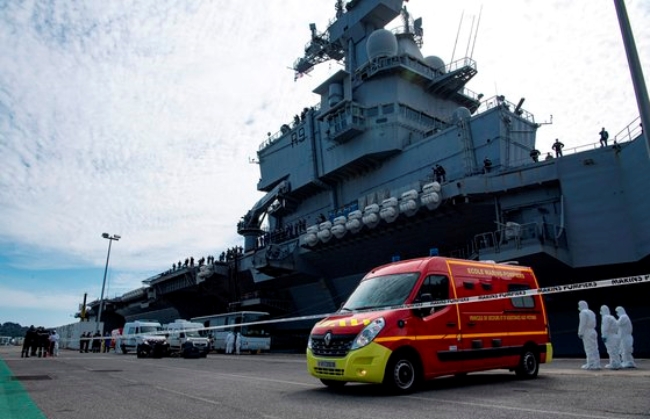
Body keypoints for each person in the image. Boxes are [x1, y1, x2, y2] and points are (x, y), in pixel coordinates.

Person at [577, 300, 600, 369]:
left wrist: (580, 332)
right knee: (595, 348)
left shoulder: (583, 313)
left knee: (589, 348)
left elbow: (582, 324)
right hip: (593, 330)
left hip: (587, 331)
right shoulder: (591, 312)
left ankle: (591, 364)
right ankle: (597, 363)